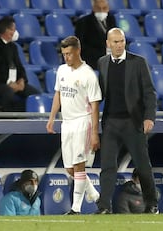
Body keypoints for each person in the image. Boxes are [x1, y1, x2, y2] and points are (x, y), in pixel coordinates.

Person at [96, 28, 159, 214]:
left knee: (142, 165)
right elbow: (100, 92)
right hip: (111, 123)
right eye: (115, 42)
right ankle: (104, 207)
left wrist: (149, 117)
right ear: (108, 43)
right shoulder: (102, 63)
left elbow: (149, 93)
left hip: (133, 122)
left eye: (122, 41)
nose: (119, 45)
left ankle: (152, 203)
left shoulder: (139, 62)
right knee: (107, 166)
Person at [46, 36, 102, 215]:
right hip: (67, 123)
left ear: (78, 51)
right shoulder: (62, 70)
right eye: (64, 54)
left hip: (82, 122)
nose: (66, 58)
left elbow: (94, 105)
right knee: (69, 168)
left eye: (69, 54)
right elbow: (58, 95)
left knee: (79, 165)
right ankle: (94, 193)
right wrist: (52, 117)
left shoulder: (88, 74)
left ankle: (75, 208)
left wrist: (94, 132)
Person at [75, 0, 116, 70]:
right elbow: (80, 46)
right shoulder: (83, 22)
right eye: (98, 8)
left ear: (108, 8)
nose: (101, 11)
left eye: (104, 8)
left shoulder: (111, 20)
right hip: (92, 61)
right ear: (93, 8)